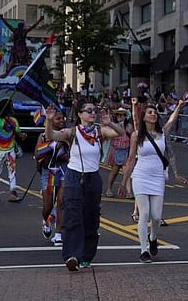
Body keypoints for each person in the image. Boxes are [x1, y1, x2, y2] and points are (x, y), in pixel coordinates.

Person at [44, 102, 125, 271]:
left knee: (91, 218)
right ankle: (72, 255)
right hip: (74, 177)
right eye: (89, 111)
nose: (92, 113)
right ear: (80, 114)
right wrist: (49, 120)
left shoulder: (99, 132)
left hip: (93, 177)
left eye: (94, 111)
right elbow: (51, 135)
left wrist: (109, 122)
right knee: (73, 216)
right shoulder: (72, 132)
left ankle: (86, 256)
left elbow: (121, 133)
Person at [119, 97, 188, 263]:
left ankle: (153, 237)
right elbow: (130, 159)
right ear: (144, 117)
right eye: (149, 112)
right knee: (144, 213)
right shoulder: (137, 135)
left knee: (157, 216)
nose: (153, 115)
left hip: (157, 177)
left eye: (155, 112)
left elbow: (170, 153)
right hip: (140, 176)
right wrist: (123, 182)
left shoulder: (163, 133)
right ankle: (143, 250)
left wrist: (177, 173)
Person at [37, 109, 70, 245]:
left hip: (63, 169)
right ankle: (47, 219)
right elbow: (37, 154)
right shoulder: (44, 136)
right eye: (58, 119)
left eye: (63, 118)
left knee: (61, 202)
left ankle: (58, 234)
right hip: (48, 171)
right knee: (48, 206)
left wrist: (63, 151)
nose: (61, 121)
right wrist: (51, 146)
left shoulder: (68, 135)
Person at [0, 99, 26, 202]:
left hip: (10, 149)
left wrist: (23, 135)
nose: (12, 108)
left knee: (12, 171)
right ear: (6, 108)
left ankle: (13, 193)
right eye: (11, 106)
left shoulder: (13, 121)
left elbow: (19, 134)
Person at [104, 108, 132, 198]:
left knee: (126, 171)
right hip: (116, 150)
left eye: (122, 115)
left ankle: (129, 192)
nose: (120, 116)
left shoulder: (128, 125)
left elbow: (131, 134)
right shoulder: (113, 125)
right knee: (114, 171)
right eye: (118, 115)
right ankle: (109, 188)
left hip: (125, 150)